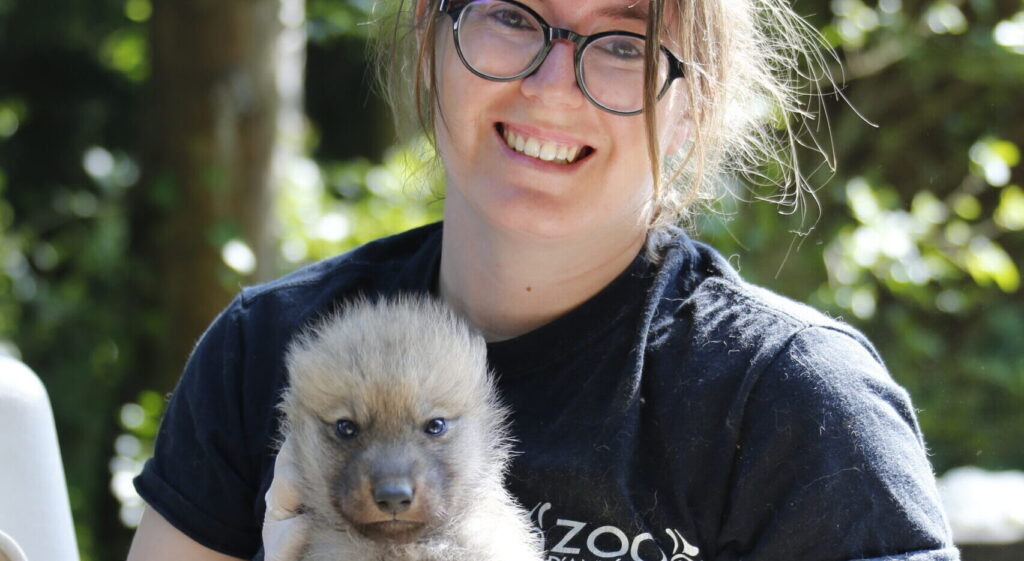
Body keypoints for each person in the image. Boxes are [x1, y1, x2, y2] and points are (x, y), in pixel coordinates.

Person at [127, 0, 960, 560]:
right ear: (430, 32)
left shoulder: (792, 404)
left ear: (693, 102)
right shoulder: (263, 350)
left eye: (626, 42)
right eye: (511, 16)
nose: (552, 85)